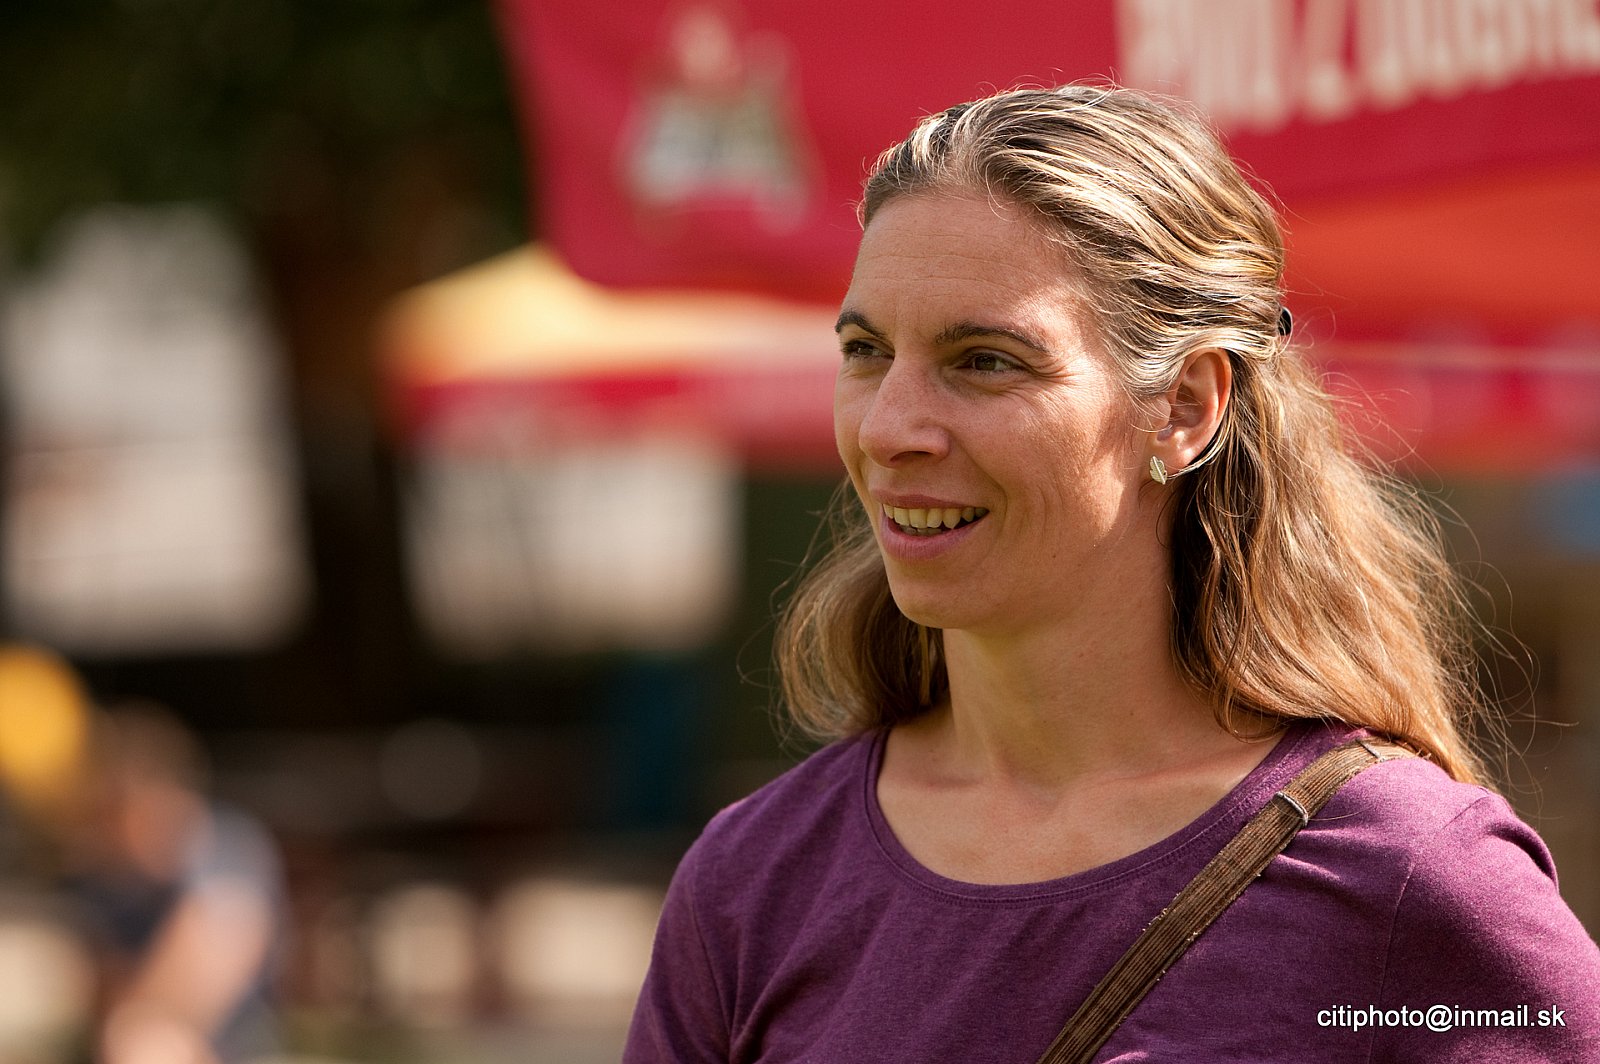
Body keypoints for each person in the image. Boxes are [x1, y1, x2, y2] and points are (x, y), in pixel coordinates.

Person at [623, 85, 1600, 1063]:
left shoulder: (1408, 875)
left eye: (985, 360)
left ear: (1183, 406)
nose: (886, 428)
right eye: (865, 351)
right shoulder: (755, 879)